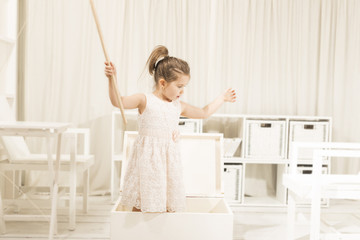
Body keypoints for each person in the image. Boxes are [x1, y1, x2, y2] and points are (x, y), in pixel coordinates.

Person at [104, 45, 236, 213]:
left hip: (168, 163)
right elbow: (118, 102)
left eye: (184, 87)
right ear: (163, 83)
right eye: (179, 86)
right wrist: (112, 79)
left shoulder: (178, 106)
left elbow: (204, 112)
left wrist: (222, 98)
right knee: (143, 201)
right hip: (147, 162)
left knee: (167, 202)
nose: (182, 91)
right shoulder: (144, 100)